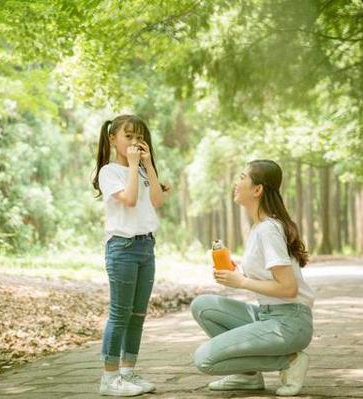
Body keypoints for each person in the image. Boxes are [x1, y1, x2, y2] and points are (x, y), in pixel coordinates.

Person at [190, 159, 315, 396]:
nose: (235, 183)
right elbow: (270, 275)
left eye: (241, 177)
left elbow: (289, 288)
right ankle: (247, 377)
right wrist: (239, 271)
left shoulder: (268, 229)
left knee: (204, 360)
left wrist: (242, 282)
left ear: (257, 190)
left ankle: (289, 360)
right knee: (203, 306)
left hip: (290, 323)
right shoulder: (260, 228)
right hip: (267, 315)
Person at [92, 114, 170, 396]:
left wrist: (147, 166)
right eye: (129, 136)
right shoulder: (109, 172)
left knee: (137, 315)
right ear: (113, 139)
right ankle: (109, 378)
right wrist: (135, 166)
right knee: (120, 314)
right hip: (122, 248)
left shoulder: (142, 170)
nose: (136, 142)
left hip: (146, 247)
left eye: (140, 137)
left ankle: (128, 373)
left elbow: (158, 202)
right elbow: (130, 200)